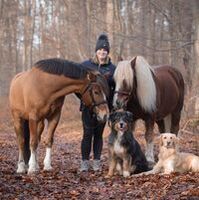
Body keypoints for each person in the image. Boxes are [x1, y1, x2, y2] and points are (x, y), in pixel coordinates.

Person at [80, 33, 115, 172]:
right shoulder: (85, 65)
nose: (102, 52)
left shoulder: (113, 69)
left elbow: (115, 88)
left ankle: (96, 162)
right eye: (100, 50)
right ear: (96, 51)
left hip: (104, 108)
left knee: (98, 135)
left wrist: (111, 106)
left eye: (105, 50)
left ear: (108, 52)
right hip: (88, 108)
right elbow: (78, 88)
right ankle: (84, 162)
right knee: (87, 134)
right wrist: (85, 101)